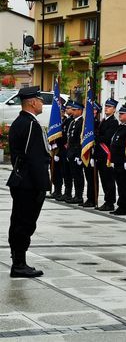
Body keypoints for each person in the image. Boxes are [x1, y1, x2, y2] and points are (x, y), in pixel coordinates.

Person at [7, 86, 50, 277]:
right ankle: (19, 264)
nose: (42, 103)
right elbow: (34, 158)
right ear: (32, 102)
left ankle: (18, 261)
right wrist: (43, 184)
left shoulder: (20, 122)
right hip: (29, 182)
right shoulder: (30, 124)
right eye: (40, 100)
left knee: (18, 221)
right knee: (25, 222)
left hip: (21, 180)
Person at [95, 98, 119, 211]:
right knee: (104, 180)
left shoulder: (113, 122)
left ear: (114, 109)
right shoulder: (104, 120)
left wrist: (96, 138)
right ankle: (106, 200)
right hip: (100, 155)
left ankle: (110, 202)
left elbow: (107, 138)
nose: (106, 108)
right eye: (106, 106)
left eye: (109, 107)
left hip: (107, 155)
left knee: (109, 180)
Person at [109, 106, 126, 216]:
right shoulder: (121, 126)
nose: (120, 115)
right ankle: (121, 205)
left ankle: (125, 206)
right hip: (117, 161)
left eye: (123, 114)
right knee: (120, 185)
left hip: (124, 161)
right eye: (120, 113)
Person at [81, 102, 101, 208]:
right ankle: (89, 198)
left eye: (93, 110)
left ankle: (93, 199)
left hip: (93, 153)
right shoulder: (87, 123)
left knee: (93, 178)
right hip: (87, 153)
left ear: (96, 111)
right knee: (88, 177)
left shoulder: (96, 123)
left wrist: (93, 156)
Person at [66, 101, 85, 204]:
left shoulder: (81, 122)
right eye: (72, 110)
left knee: (78, 176)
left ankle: (79, 195)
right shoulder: (73, 122)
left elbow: (80, 140)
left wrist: (79, 155)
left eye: (74, 110)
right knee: (73, 175)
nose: (72, 112)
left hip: (77, 153)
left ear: (80, 111)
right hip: (71, 152)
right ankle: (75, 195)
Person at [57, 101, 75, 202]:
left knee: (69, 173)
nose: (67, 110)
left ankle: (70, 193)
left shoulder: (73, 121)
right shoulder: (68, 121)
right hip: (64, 149)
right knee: (65, 172)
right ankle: (66, 192)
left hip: (69, 149)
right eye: (66, 108)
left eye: (69, 108)